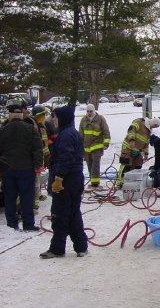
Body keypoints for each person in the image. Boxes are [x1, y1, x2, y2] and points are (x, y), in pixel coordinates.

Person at [40, 106, 88, 259]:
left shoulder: (66, 135)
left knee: (60, 215)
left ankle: (57, 249)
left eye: (54, 117)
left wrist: (59, 177)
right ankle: (81, 247)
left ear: (62, 118)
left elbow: (66, 158)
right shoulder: (71, 133)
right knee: (73, 213)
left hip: (66, 180)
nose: (52, 120)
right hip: (75, 179)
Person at [0, 99, 43, 231]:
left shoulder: (3, 130)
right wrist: (37, 165)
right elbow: (37, 149)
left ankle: (12, 224)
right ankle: (28, 224)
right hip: (26, 169)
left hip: (8, 170)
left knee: (10, 198)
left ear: (11, 115)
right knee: (26, 197)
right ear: (22, 115)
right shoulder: (30, 129)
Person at [116, 117, 160, 187]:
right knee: (126, 164)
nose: (154, 128)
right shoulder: (139, 122)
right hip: (128, 147)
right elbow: (131, 131)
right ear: (154, 123)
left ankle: (131, 181)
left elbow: (146, 143)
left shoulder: (149, 130)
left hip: (137, 150)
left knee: (137, 166)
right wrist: (131, 140)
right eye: (155, 126)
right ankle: (120, 182)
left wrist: (146, 153)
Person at [79, 104, 111, 190]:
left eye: (91, 111)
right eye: (87, 111)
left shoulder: (100, 119)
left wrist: (106, 144)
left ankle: (95, 183)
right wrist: (80, 147)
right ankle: (92, 181)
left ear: (94, 111)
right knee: (89, 165)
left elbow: (106, 132)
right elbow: (80, 134)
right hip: (86, 148)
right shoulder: (83, 120)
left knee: (95, 165)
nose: (89, 113)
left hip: (97, 146)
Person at [32, 105, 51, 208]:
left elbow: (44, 144)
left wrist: (47, 156)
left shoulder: (42, 126)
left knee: (37, 181)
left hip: (41, 159)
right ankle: (35, 203)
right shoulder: (34, 127)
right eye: (42, 115)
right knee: (35, 182)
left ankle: (38, 195)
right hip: (36, 160)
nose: (44, 117)